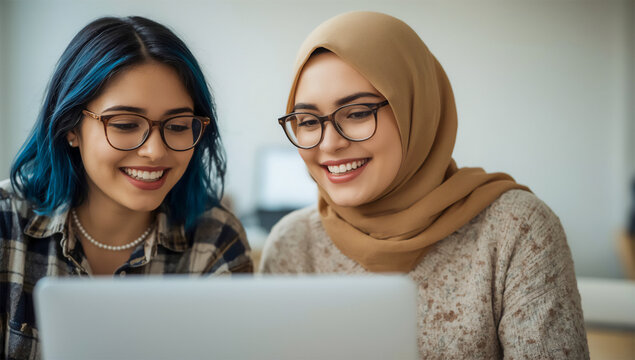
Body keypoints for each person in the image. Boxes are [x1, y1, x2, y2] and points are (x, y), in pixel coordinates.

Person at [260, 11, 589, 359]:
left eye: (356, 113)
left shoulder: (516, 232)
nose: (328, 144)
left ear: (415, 108)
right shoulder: (293, 245)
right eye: (309, 121)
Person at [1, 16, 252, 359]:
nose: (155, 151)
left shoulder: (215, 240)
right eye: (125, 124)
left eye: (178, 125)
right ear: (70, 127)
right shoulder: (5, 224)